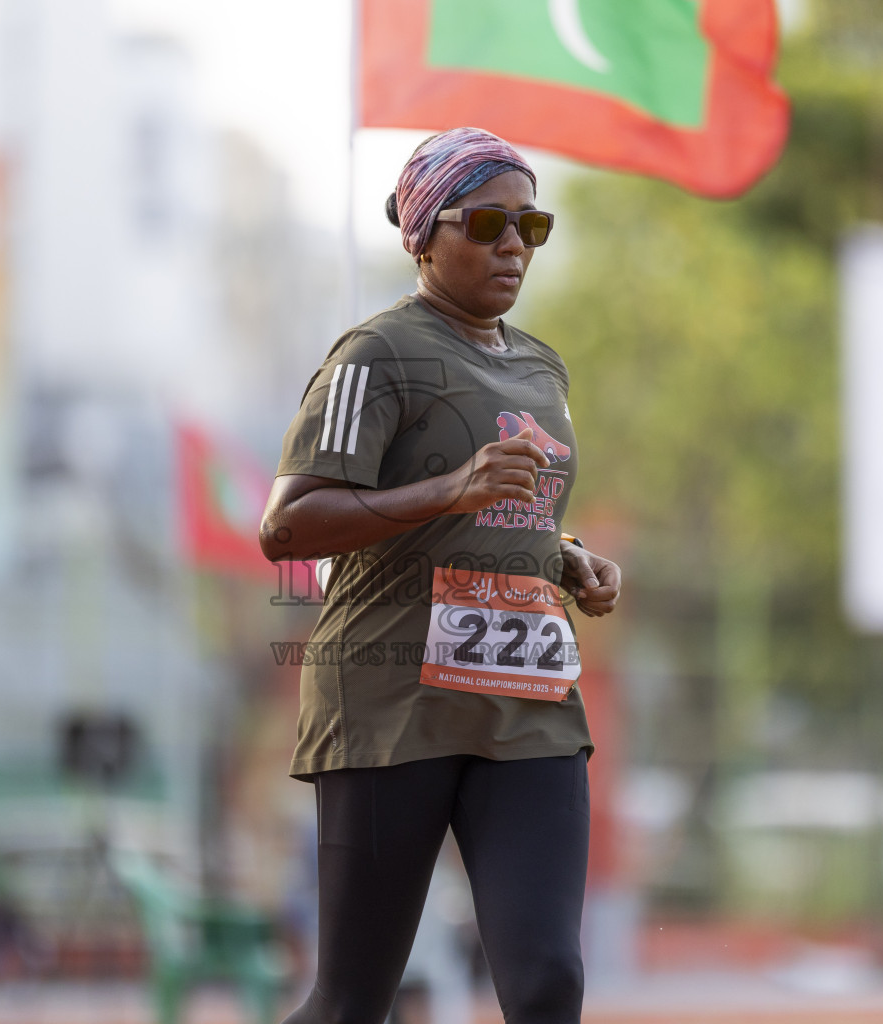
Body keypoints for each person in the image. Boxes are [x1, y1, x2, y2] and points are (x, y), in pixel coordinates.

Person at [260, 127, 622, 1024]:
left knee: (547, 984)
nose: (513, 245)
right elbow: (286, 526)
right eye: (489, 223)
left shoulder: (542, 365)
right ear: (423, 236)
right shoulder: (374, 356)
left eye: (531, 226)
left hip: (525, 698)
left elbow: (511, 509)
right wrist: (448, 487)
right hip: (392, 702)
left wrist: (566, 557)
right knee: (354, 1002)